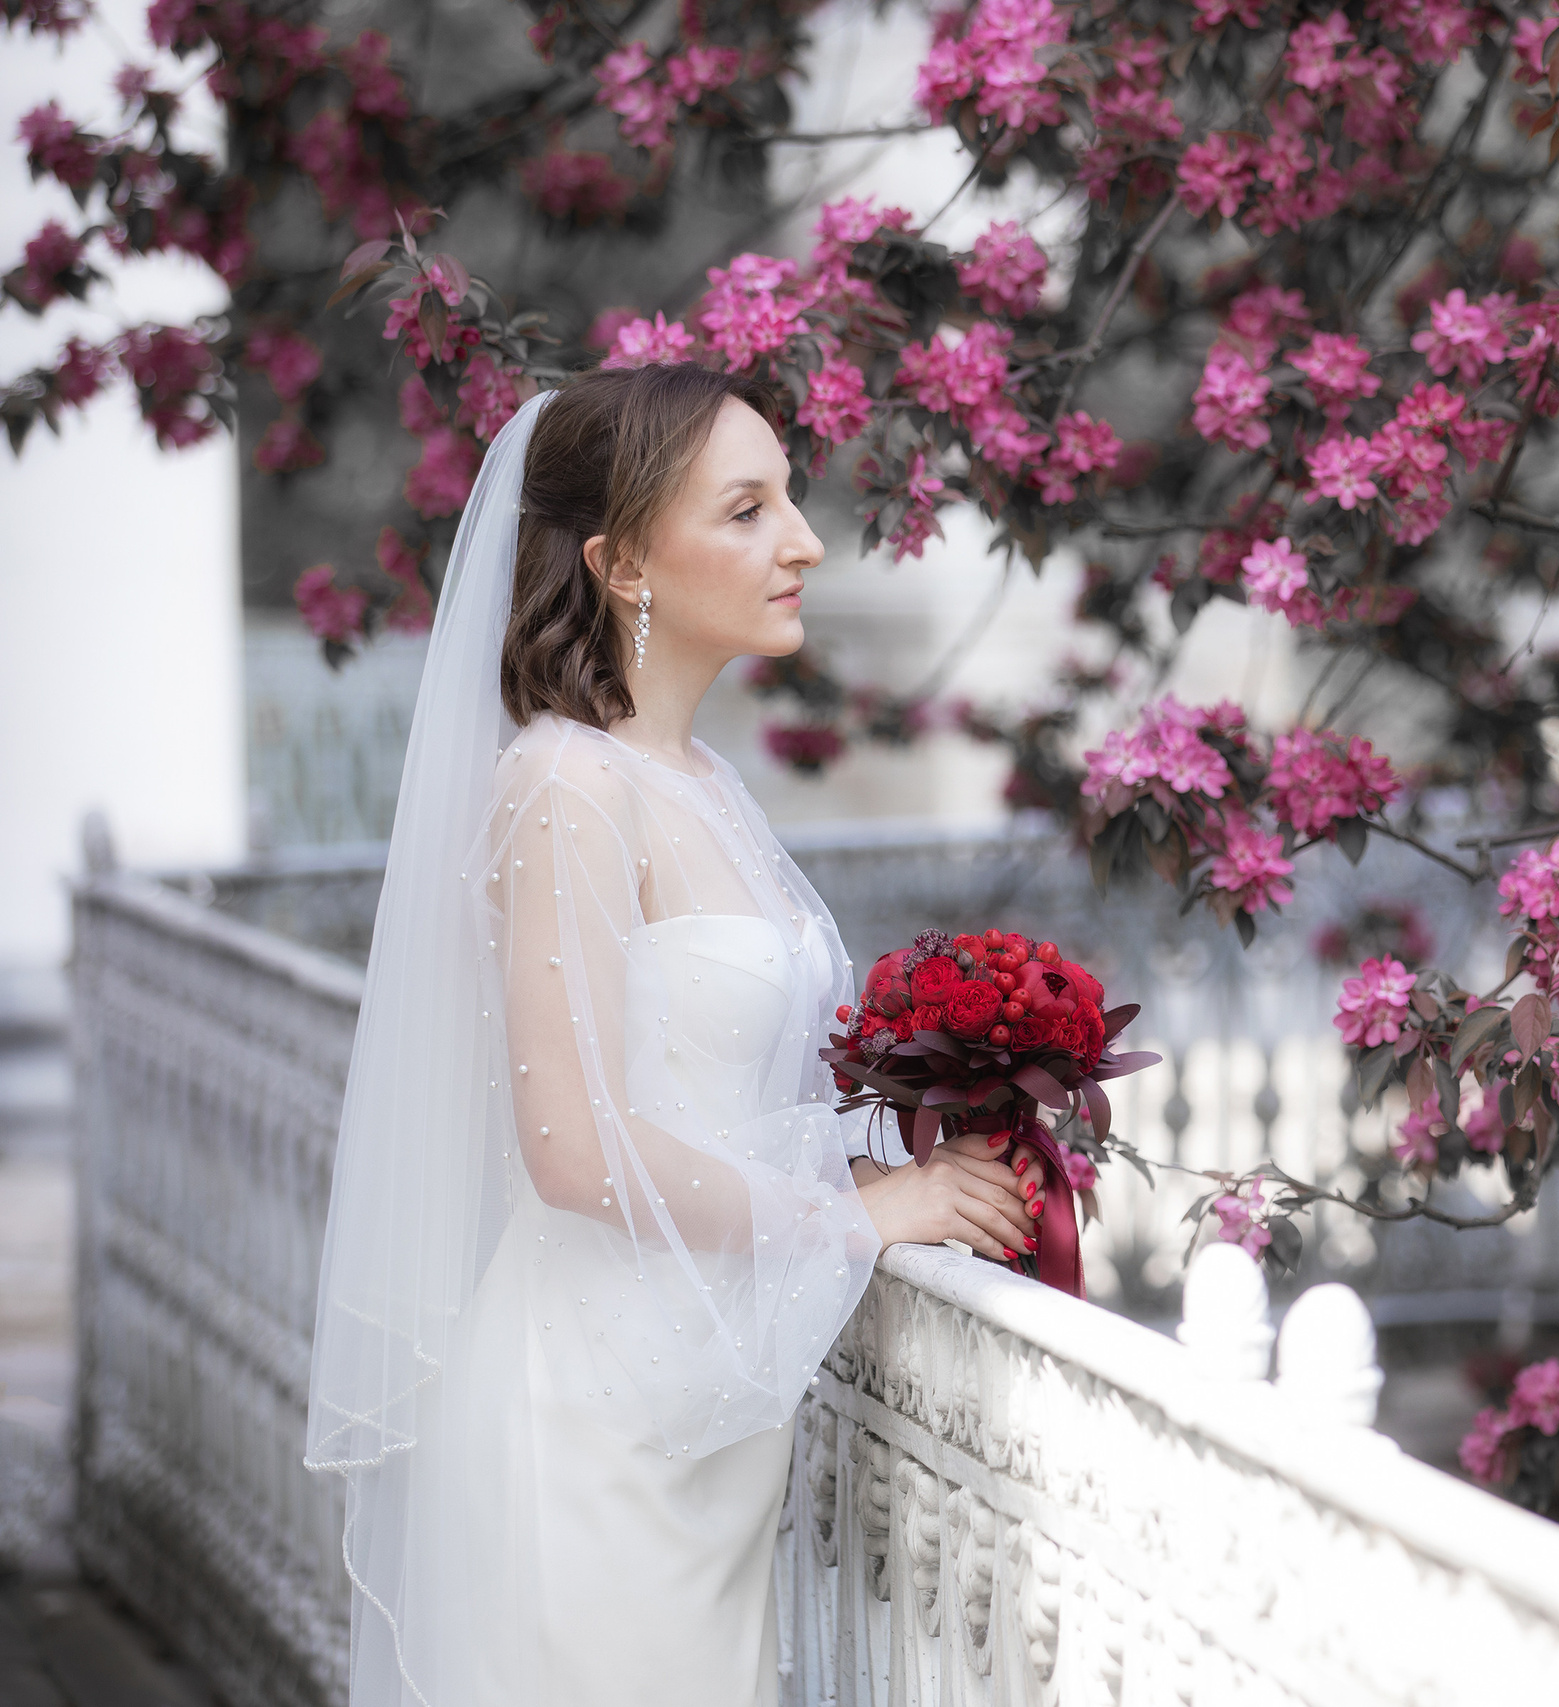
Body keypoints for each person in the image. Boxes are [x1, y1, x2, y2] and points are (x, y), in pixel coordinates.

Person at [301, 366, 1040, 1707]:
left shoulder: (698, 780)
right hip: (588, 1434)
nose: (804, 542)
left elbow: (713, 1084)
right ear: (622, 559)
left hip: (701, 1400)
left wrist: (923, 1130)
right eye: (749, 511)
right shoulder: (564, 782)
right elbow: (573, 1151)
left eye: (790, 504)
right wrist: (865, 1213)